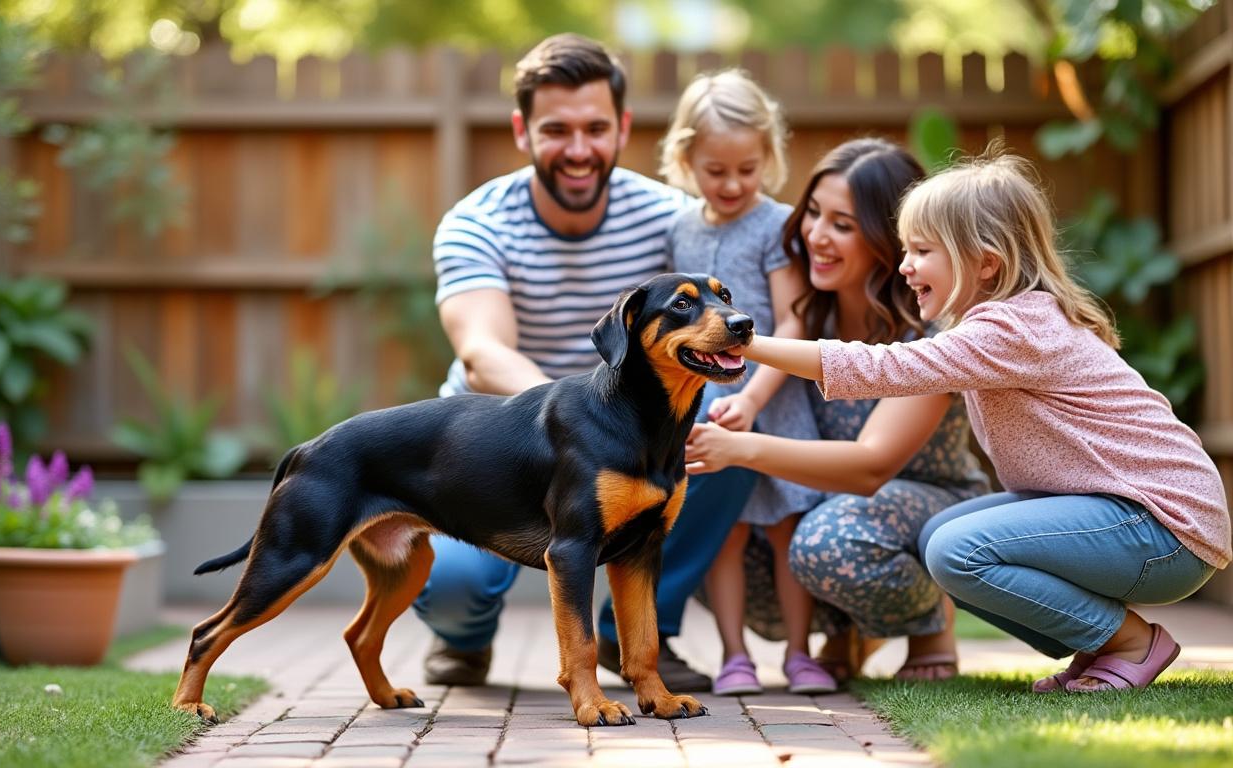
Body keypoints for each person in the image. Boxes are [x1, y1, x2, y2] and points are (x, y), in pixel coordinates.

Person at [724, 148, 1230, 693]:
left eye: (921, 251)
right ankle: (1101, 646)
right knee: (939, 536)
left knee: (955, 549)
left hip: (1162, 528)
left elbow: (881, 366)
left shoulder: (1010, 329)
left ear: (985, 263)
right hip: (1131, 517)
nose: (905, 267)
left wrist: (744, 341)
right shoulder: (1003, 322)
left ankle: (1129, 642)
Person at [417, 33, 718, 689]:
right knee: (453, 581)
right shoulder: (477, 221)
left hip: (639, 436)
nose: (578, 150)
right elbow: (482, 353)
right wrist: (579, 428)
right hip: (501, 440)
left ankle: (639, 636)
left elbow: (714, 327)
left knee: (719, 419)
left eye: (595, 128)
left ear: (622, 129)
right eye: (557, 130)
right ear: (523, 131)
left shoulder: (671, 218)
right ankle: (463, 639)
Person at [684, 138, 991, 684]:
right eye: (814, 215)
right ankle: (845, 632)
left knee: (826, 543)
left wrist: (740, 449)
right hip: (833, 504)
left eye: (843, 225)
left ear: (889, 240)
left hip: (930, 504)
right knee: (711, 534)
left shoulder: (932, 333)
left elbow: (871, 467)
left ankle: (931, 624)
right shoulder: (806, 316)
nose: (816, 236)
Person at [653, 69, 831, 695]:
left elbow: (794, 316)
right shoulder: (680, 228)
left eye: (746, 170)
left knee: (785, 530)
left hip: (772, 402)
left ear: (769, 158)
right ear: (685, 158)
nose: (731, 185)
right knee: (723, 536)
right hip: (709, 405)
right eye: (715, 171)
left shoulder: (776, 225)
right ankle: (735, 656)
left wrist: (754, 396)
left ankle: (801, 654)